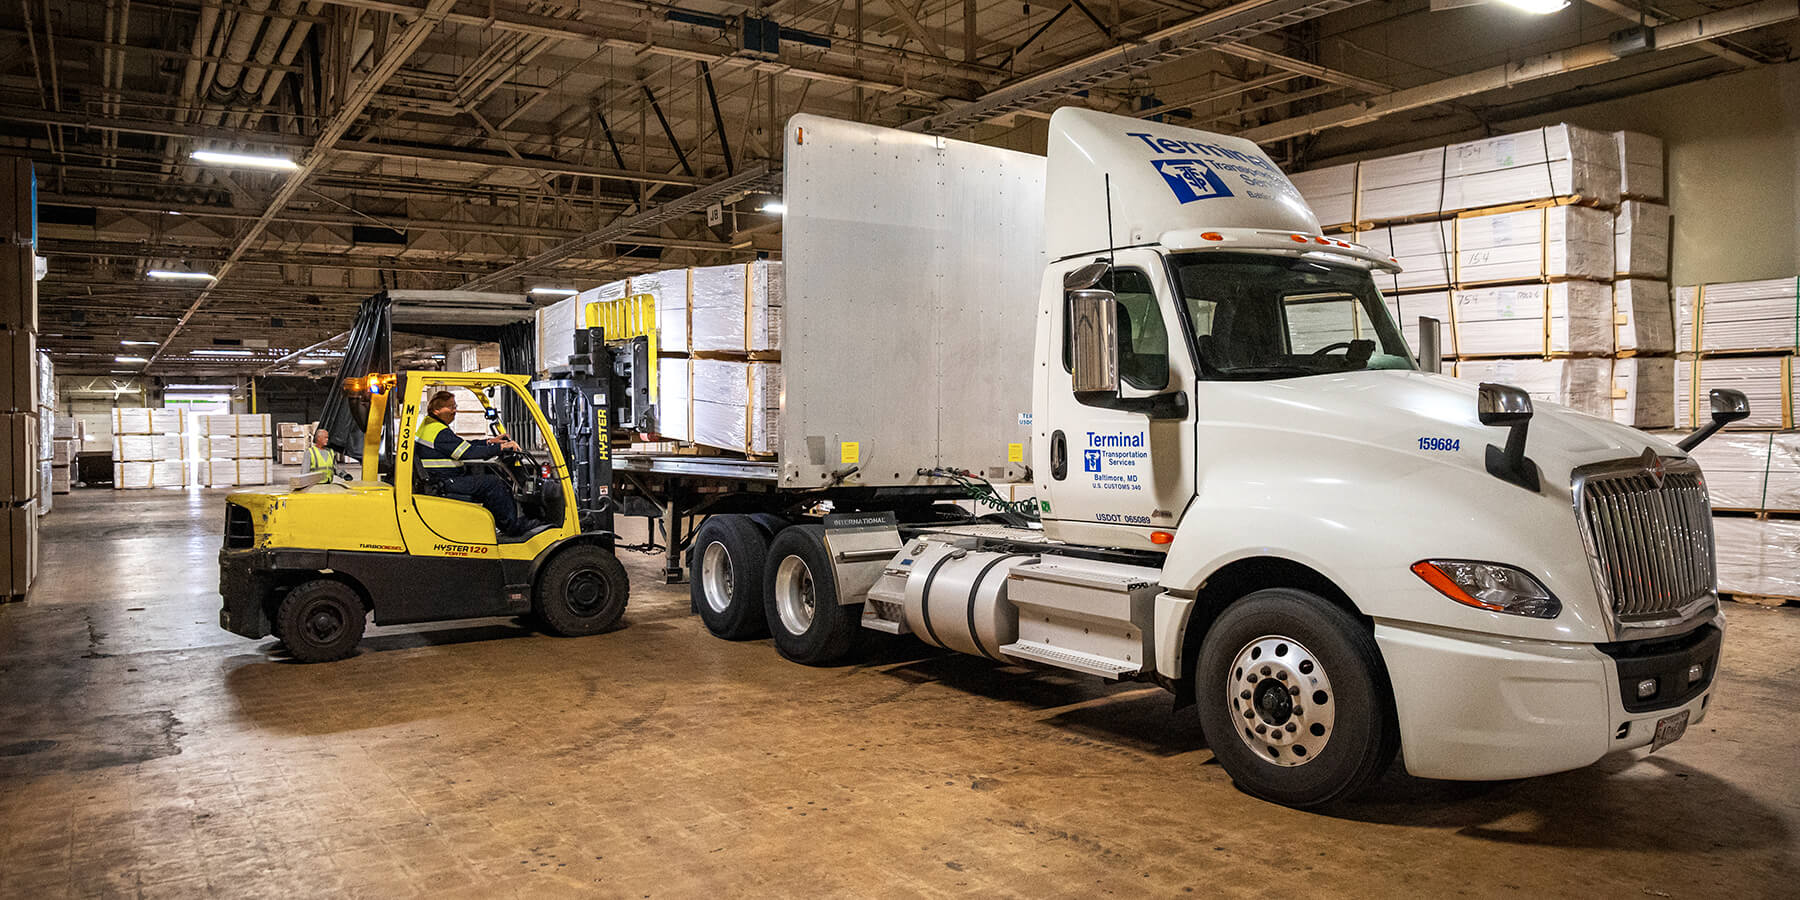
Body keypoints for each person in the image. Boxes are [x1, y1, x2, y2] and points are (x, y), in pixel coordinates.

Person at [415, 391, 526, 535]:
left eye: (455, 406)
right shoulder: (439, 432)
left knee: (486, 482)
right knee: (494, 484)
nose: (455, 410)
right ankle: (513, 528)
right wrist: (501, 447)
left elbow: (461, 445)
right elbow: (467, 453)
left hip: (441, 478)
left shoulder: (430, 426)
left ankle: (492, 525)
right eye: (451, 407)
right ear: (437, 410)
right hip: (445, 481)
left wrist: (490, 442)